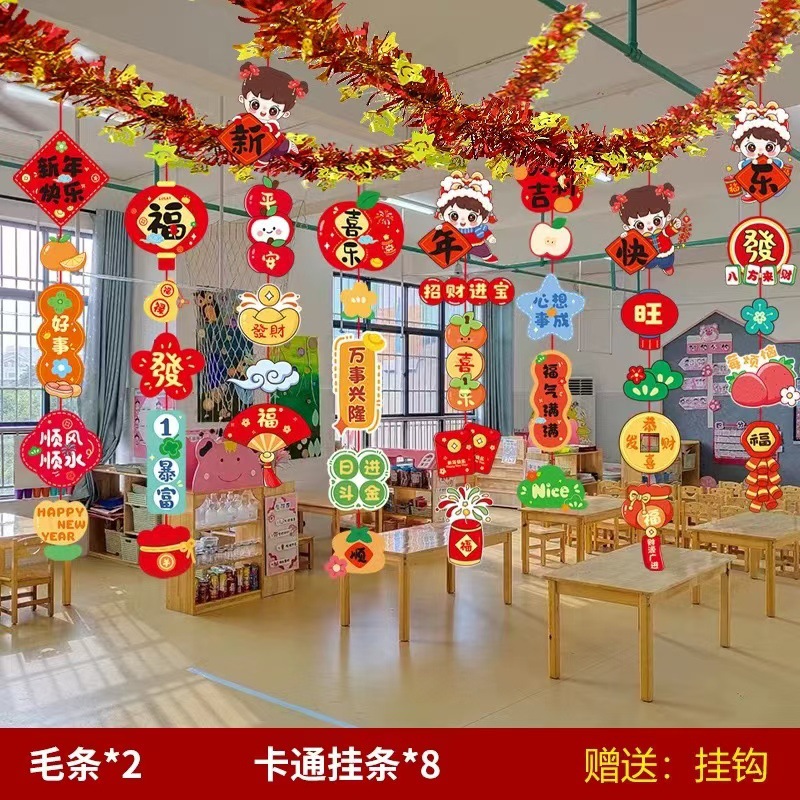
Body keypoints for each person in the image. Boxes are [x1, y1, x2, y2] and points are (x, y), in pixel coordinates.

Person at [236, 62, 309, 164]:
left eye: (273, 111)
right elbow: (238, 119)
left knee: (274, 147)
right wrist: (237, 122)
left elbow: (272, 129)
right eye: (255, 105)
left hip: (272, 142)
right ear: (242, 99)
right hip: (251, 141)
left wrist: (267, 129)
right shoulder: (246, 118)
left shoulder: (271, 125)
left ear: (285, 113)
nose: (262, 112)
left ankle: (286, 147)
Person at [609, 183, 685, 276]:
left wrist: (675, 225)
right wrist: (626, 238)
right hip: (647, 257)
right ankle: (644, 264)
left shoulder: (663, 233)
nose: (650, 227)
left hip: (665, 254)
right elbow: (628, 245)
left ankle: (667, 267)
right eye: (640, 225)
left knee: (667, 262)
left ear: (667, 217)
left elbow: (669, 231)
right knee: (647, 262)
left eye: (656, 221)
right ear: (627, 227)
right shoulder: (639, 239)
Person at [731, 100, 791, 202]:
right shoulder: (745, 164)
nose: (760, 152)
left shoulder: (776, 163)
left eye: (769, 147)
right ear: (738, 147)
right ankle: (753, 193)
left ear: (783, 147)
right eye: (751, 147)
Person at [435, 171, 499, 263]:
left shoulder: (479, 228)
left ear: (484, 218)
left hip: (476, 244)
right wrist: (440, 228)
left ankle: (487, 256)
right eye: (454, 216)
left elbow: (486, 232)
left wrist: (490, 237)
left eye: (471, 217)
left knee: (483, 251)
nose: (462, 221)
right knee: (452, 249)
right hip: (458, 245)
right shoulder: (451, 228)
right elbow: (444, 230)